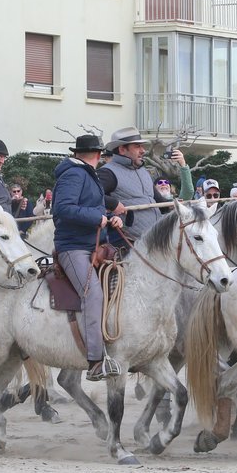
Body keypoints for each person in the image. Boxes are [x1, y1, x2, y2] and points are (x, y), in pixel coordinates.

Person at [52, 134, 122, 381]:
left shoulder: (86, 174)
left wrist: (110, 218)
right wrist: (97, 218)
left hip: (93, 244)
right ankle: (95, 360)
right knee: (93, 293)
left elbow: (91, 207)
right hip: (73, 247)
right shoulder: (74, 174)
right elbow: (63, 208)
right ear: (98, 155)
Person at [98, 127, 187, 243]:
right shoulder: (107, 172)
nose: (143, 150)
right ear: (122, 149)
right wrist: (113, 203)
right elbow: (90, 195)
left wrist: (172, 205)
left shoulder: (143, 171)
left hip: (154, 240)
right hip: (128, 243)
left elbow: (158, 201)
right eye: (137, 146)